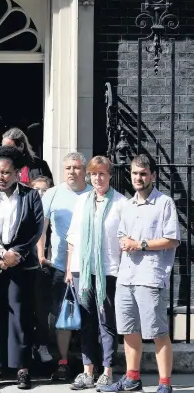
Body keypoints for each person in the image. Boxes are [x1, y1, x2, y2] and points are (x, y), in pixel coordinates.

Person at [100, 155, 180, 393]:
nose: (138, 177)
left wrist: (141, 244)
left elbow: (173, 239)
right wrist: (126, 242)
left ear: (153, 176)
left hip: (150, 277)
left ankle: (165, 383)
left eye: (143, 173)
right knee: (129, 330)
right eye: (135, 173)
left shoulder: (164, 203)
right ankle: (132, 378)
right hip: (126, 277)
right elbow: (122, 236)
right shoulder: (126, 205)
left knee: (158, 333)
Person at [0, 146, 44, 390]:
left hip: (22, 265)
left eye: (6, 173)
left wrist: (17, 253)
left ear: (16, 174)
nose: (1, 177)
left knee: (20, 317)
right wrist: (2, 253)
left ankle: (22, 369)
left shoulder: (30, 196)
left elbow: (36, 229)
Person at [66, 156, 126, 391]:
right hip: (82, 269)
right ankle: (87, 370)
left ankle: (108, 370)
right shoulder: (82, 201)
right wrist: (70, 269)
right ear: (88, 176)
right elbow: (72, 238)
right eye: (93, 174)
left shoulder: (121, 203)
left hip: (108, 271)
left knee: (106, 322)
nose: (97, 178)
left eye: (102, 173)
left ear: (110, 175)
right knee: (87, 322)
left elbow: (122, 240)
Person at [36, 152, 92, 380]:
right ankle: (63, 361)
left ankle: (90, 362)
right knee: (63, 315)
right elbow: (42, 226)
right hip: (60, 264)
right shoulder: (52, 193)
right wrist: (41, 253)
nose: (72, 171)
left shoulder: (92, 193)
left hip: (89, 265)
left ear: (84, 170)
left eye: (77, 167)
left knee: (89, 314)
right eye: (68, 167)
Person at [29, 176, 54, 364]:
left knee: (44, 310)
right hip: (29, 267)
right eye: (36, 190)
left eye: (44, 190)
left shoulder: (54, 214)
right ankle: (31, 345)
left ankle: (42, 344)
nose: (40, 194)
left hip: (50, 266)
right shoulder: (27, 211)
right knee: (31, 309)